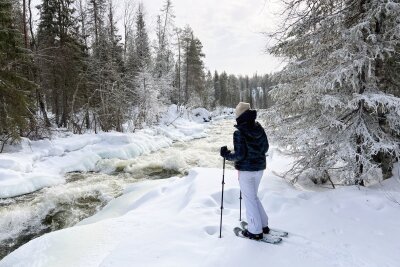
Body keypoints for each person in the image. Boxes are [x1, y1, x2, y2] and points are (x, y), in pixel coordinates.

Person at [220, 102, 269, 240]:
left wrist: (226, 154)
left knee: (250, 199)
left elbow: (240, 155)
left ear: (240, 115)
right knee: (253, 197)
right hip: (259, 169)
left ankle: (255, 231)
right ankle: (263, 224)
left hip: (246, 171)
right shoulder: (259, 128)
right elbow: (265, 148)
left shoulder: (239, 132)